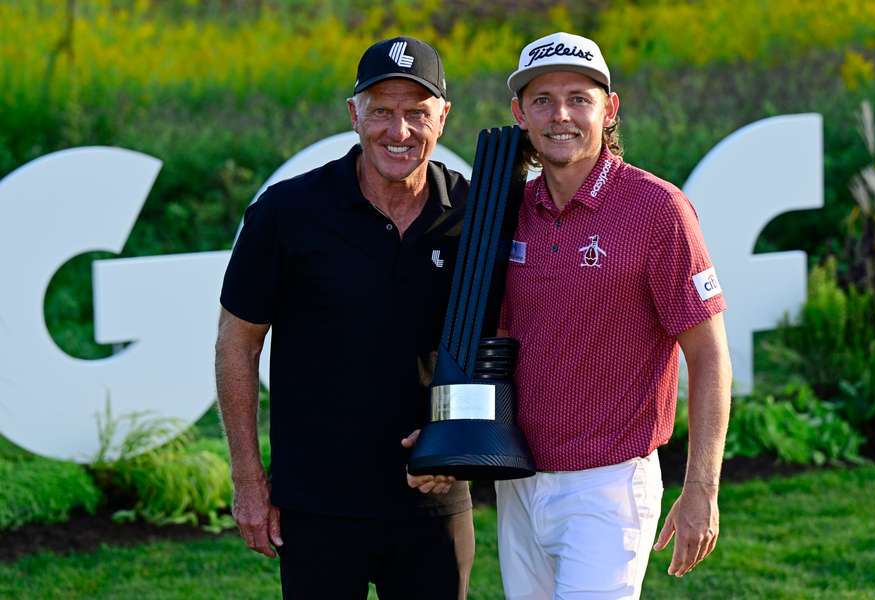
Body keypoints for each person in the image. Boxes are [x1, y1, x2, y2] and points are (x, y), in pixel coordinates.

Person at [215, 36, 474, 600]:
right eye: (381, 110)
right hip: (316, 502)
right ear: (354, 114)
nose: (398, 131)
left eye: (416, 113)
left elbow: (499, 339)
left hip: (432, 495)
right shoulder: (286, 214)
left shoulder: (474, 215)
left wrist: (456, 440)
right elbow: (237, 344)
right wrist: (248, 480)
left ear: (444, 118)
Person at [497, 32, 732, 598]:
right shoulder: (508, 207)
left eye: (579, 98)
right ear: (519, 113)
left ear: (610, 108)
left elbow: (709, 354)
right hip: (517, 483)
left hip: (608, 485)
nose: (561, 116)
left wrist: (702, 486)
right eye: (542, 100)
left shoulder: (657, 209)